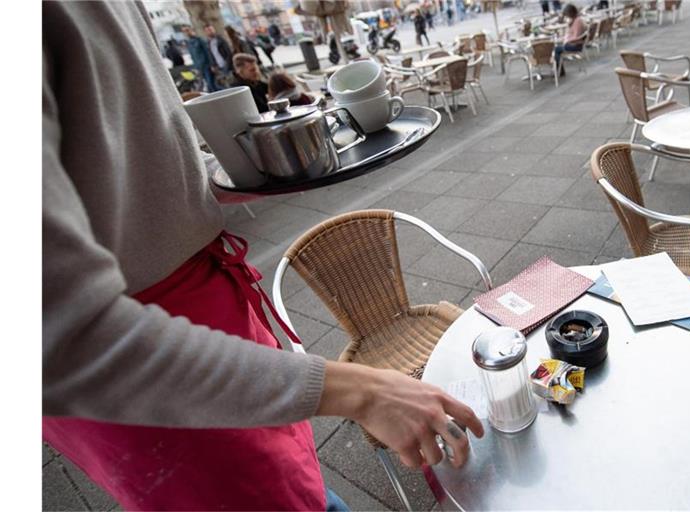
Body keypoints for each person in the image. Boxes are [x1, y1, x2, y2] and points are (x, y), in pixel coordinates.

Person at [43, 2, 483, 511]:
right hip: (150, 368)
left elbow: (110, 156)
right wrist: (362, 392)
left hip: (217, 320)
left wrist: (217, 179)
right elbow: (55, 341)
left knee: (301, 485)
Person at [181, 25, 218, 92]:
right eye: (184, 31)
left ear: (192, 30)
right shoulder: (188, 43)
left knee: (212, 85)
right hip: (199, 68)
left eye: (187, 30)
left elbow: (208, 52)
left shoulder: (199, 40)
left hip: (207, 66)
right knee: (207, 87)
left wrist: (212, 64)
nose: (186, 32)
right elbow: (193, 56)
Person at [554, 3, 586, 76]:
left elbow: (576, 36)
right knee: (557, 47)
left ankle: (559, 70)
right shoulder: (576, 20)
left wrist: (566, 41)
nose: (567, 17)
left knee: (556, 49)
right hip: (575, 43)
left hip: (575, 45)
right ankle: (559, 70)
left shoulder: (577, 21)